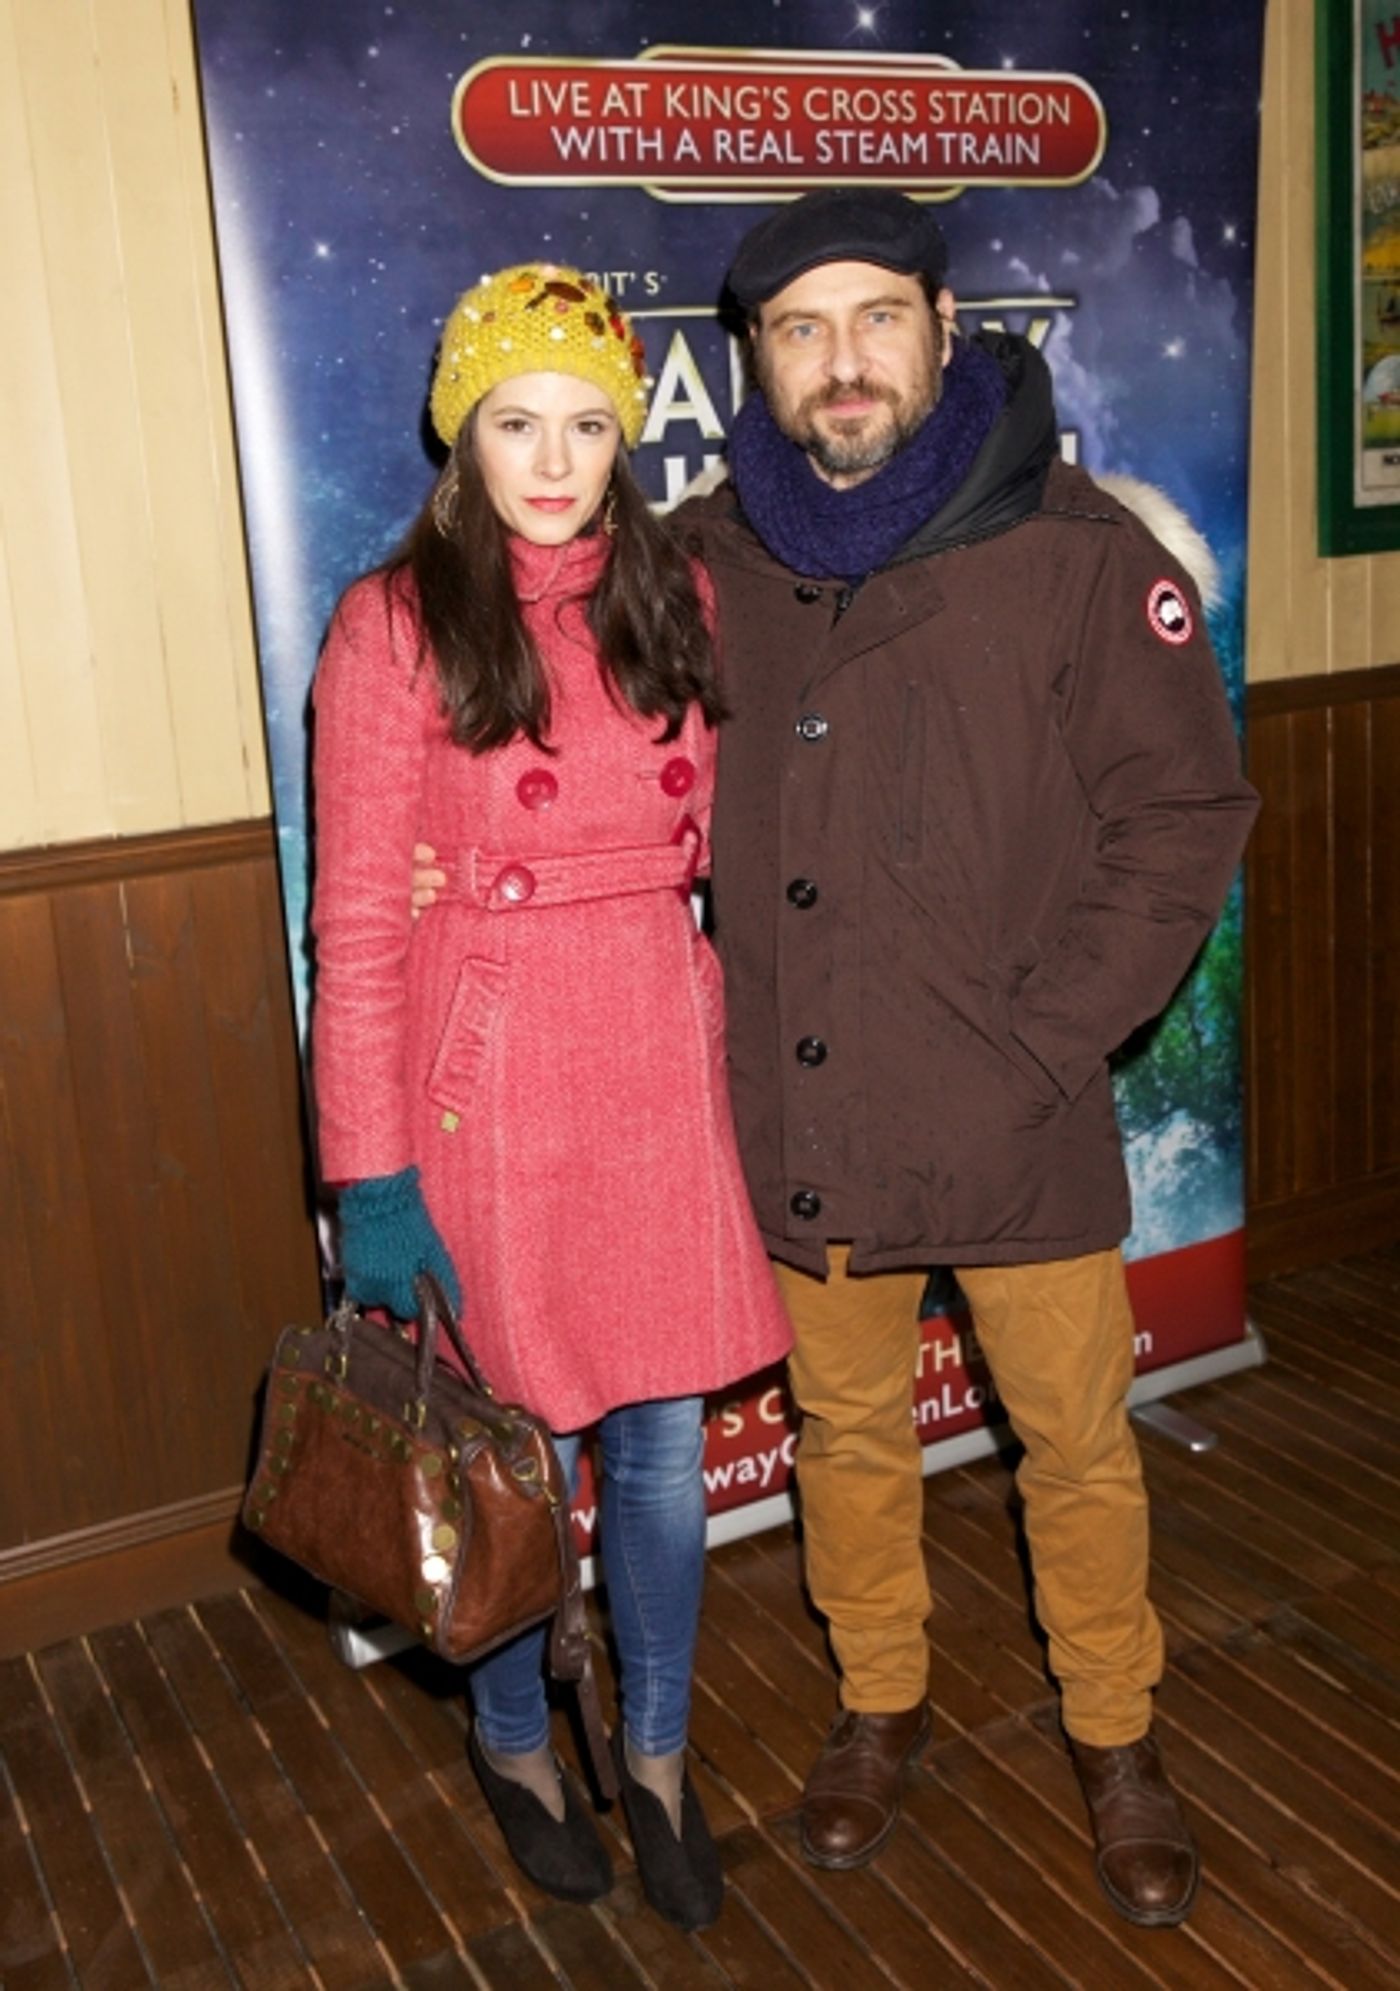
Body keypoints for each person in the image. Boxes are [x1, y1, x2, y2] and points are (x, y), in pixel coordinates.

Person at [413, 193, 1259, 1929]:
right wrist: (446, 852)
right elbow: (572, 739)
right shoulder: (711, 560)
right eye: (801, 332)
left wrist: (1043, 1035)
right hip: (799, 1099)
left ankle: (1116, 1730)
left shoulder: (1084, 550)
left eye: (876, 318)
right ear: (754, 365)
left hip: (1017, 1103)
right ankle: (882, 1702)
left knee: (1076, 1442)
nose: (843, 361)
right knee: (849, 1430)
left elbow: (1181, 820)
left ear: (944, 328)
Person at [310, 261, 792, 1932]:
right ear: (464, 430)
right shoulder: (388, 625)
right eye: (516, 421)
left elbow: (720, 848)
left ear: (627, 434)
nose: (553, 457)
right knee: (515, 1451)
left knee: (661, 1444)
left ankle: (654, 1759)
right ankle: (515, 1744)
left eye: (589, 423)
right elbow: (357, 921)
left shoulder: (681, 594)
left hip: (654, 1043)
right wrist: (368, 1180)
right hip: (489, 1074)